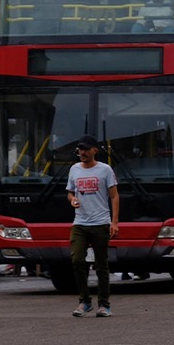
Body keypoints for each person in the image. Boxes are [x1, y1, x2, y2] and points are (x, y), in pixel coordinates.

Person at [67, 135, 119, 317]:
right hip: (80, 223)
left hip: (100, 223)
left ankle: (104, 305)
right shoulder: (74, 169)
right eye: (80, 149)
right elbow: (70, 193)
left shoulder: (105, 170)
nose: (82, 153)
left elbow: (114, 196)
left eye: (86, 149)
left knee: (101, 265)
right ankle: (85, 301)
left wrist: (114, 222)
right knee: (77, 260)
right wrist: (72, 199)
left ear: (95, 150)